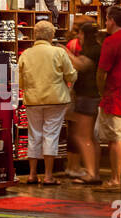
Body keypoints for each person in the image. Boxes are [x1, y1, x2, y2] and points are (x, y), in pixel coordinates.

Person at [18, 20, 77, 186]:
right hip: (56, 99)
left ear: (35, 35)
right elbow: (70, 75)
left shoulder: (26, 54)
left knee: (33, 135)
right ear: (51, 36)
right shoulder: (58, 52)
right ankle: (49, 175)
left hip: (32, 99)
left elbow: (21, 83)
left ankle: (31, 174)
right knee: (50, 135)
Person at [64, 21, 103, 184]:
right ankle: (94, 171)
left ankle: (91, 174)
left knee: (82, 136)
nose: (78, 36)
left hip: (86, 97)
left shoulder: (93, 51)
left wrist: (65, 52)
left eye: (80, 33)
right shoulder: (96, 48)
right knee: (90, 138)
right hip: (91, 97)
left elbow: (80, 65)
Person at [95, 6, 121, 190]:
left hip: (114, 97)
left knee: (115, 139)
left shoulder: (111, 42)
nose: (106, 24)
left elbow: (101, 73)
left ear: (112, 21)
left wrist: (102, 92)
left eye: (107, 20)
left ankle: (115, 179)